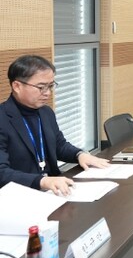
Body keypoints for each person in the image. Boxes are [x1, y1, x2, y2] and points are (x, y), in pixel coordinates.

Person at [0, 55, 110, 195]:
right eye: (41, 87)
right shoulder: (3, 118)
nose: (47, 93)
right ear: (17, 86)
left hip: (52, 191)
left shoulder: (45, 112)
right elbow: (2, 173)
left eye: (50, 86)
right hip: (19, 195)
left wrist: (79, 155)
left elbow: (58, 145)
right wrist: (42, 181)